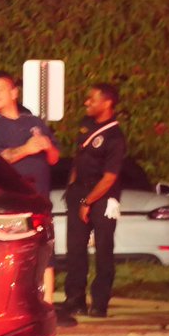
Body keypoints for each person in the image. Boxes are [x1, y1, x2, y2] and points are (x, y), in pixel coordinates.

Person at [0, 72, 66, 322]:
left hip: (41, 197)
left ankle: (47, 305)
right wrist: (26, 149)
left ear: (14, 92)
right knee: (17, 251)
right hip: (13, 201)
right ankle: (15, 306)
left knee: (46, 248)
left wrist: (47, 146)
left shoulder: (33, 120)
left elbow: (54, 157)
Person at [62, 82, 127, 319]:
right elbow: (79, 158)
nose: (86, 102)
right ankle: (74, 298)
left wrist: (87, 202)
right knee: (75, 248)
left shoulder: (115, 137)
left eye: (92, 99)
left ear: (107, 102)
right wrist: (72, 187)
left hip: (102, 196)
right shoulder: (85, 125)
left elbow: (109, 178)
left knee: (103, 249)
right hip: (80, 191)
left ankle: (100, 302)